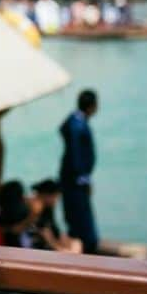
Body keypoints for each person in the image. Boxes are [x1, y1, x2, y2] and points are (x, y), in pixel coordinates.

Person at [58, 88, 99, 253]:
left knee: (75, 220)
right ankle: (85, 257)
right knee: (83, 227)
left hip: (72, 179)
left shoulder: (74, 120)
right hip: (75, 182)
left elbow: (61, 129)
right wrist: (84, 179)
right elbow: (75, 154)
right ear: (92, 106)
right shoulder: (78, 125)